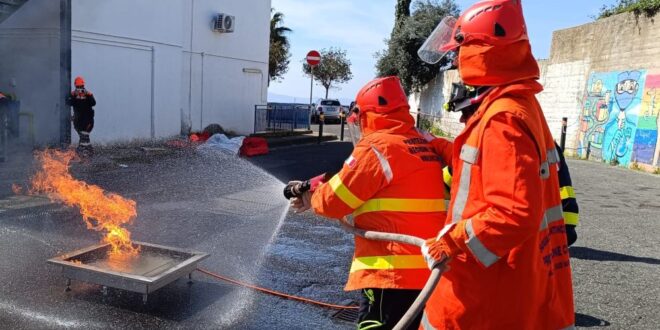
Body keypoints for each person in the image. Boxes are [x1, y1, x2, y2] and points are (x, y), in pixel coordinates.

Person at [416, 1, 575, 328]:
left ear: (480, 51)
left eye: (461, 51)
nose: (457, 62)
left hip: (486, 289)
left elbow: (513, 211)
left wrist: (451, 241)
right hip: (511, 276)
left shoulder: (502, 118)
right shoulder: (519, 103)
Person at [287, 76, 448, 329]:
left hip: (390, 272)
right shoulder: (423, 142)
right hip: (430, 271)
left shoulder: (376, 147)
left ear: (366, 115)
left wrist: (309, 196)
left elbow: (333, 202)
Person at [67, 76, 96, 155]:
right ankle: (86, 152)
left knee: (84, 136)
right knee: (83, 138)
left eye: (81, 87)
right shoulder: (73, 95)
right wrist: (73, 96)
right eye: (78, 87)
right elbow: (68, 103)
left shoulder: (88, 95)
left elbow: (93, 103)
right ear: (75, 86)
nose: (80, 89)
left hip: (88, 121)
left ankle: (83, 152)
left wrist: (89, 95)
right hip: (78, 121)